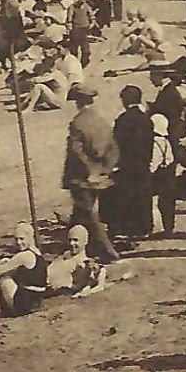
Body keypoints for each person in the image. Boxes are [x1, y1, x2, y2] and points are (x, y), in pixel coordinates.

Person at [62, 84, 121, 262]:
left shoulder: (77, 123)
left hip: (82, 178)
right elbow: (113, 148)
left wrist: (89, 172)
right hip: (100, 174)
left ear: (77, 102)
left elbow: (76, 152)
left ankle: (108, 251)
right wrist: (105, 169)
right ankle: (72, 246)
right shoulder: (100, 121)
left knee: (87, 213)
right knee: (79, 214)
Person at [106, 84, 155, 240]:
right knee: (142, 195)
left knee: (127, 196)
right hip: (143, 164)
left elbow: (116, 143)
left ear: (125, 100)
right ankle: (145, 228)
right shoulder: (146, 119)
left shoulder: (123, 120)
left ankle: (129, 229)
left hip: (127, 165)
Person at [150, 112, 178, 237]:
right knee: (168, 203)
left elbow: (154, 162)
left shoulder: (155, 142)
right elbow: (170, 158)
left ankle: (159, 228)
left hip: (159, 177)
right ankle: (169, 227)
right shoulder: (167, 141)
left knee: (158, 203)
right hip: (169, 175)